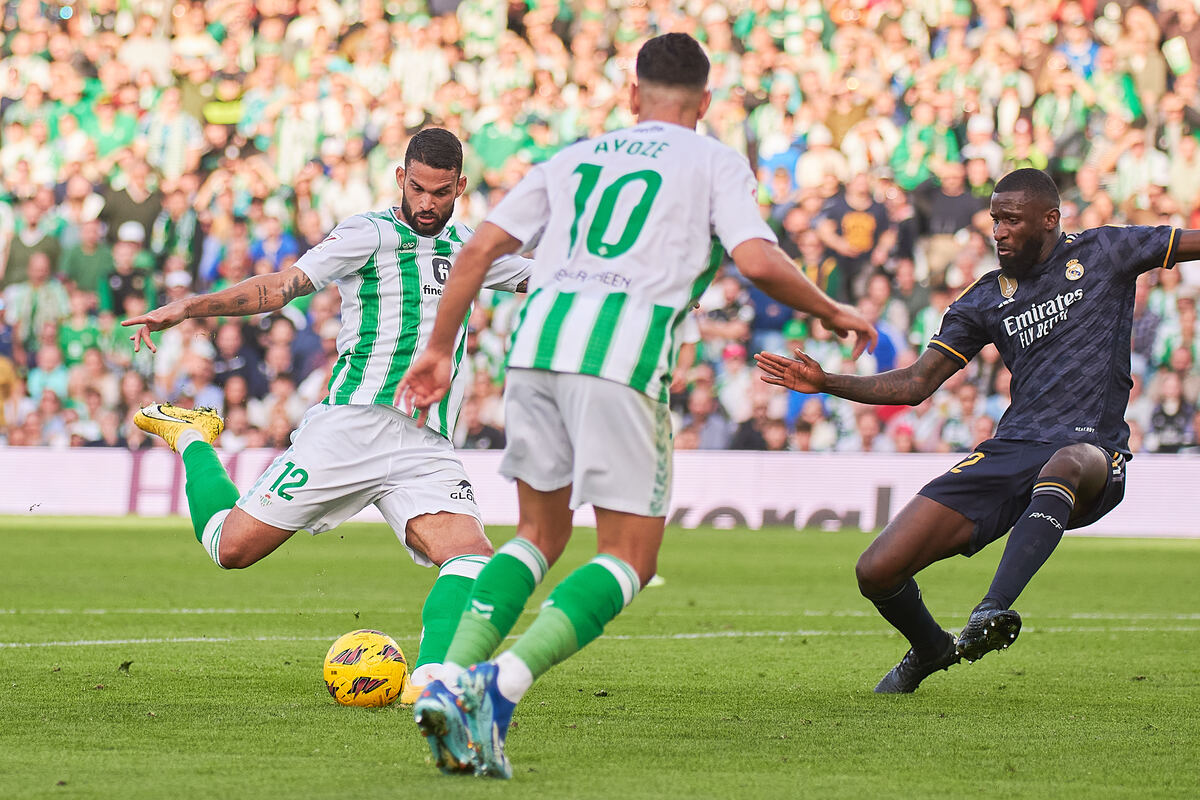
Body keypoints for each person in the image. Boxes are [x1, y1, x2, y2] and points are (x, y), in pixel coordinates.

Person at [399, 33, 876, 779]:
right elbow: (755, 258)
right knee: (629, 555)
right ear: (705, 104)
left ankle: (447, 676)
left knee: (535, 533)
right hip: (621, 361)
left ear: (631, 97)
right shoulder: (715, 159)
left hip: (534, 350)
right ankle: (497, 688)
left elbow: (477, 249)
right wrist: (829, 308)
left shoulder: (576, 156)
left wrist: (437, 347)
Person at [120, 127, 531, 705]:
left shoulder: (473, 249)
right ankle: (192, 436)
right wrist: (192, 307)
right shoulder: (367, 234)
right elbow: (280, 287)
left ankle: (434, 680)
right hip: (351, 426)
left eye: (440, 192)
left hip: (425, 441)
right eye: (417, 188)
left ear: (460, 187)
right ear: (400, 178)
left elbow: (552, 280)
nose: (426, 203)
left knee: (471, 557)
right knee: (228, 549)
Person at [756, 167, 1199, 693]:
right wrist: (828, 381)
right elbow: (917, 383)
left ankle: (990, 610)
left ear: (1050, 220)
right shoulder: (986, 296)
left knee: (1068, 459)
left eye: (1012, 220)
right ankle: (930, 649)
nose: (999, 231)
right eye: (995, 220)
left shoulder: (1107, 251)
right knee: (876, 570)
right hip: (1012, 449)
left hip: (1093, 453)